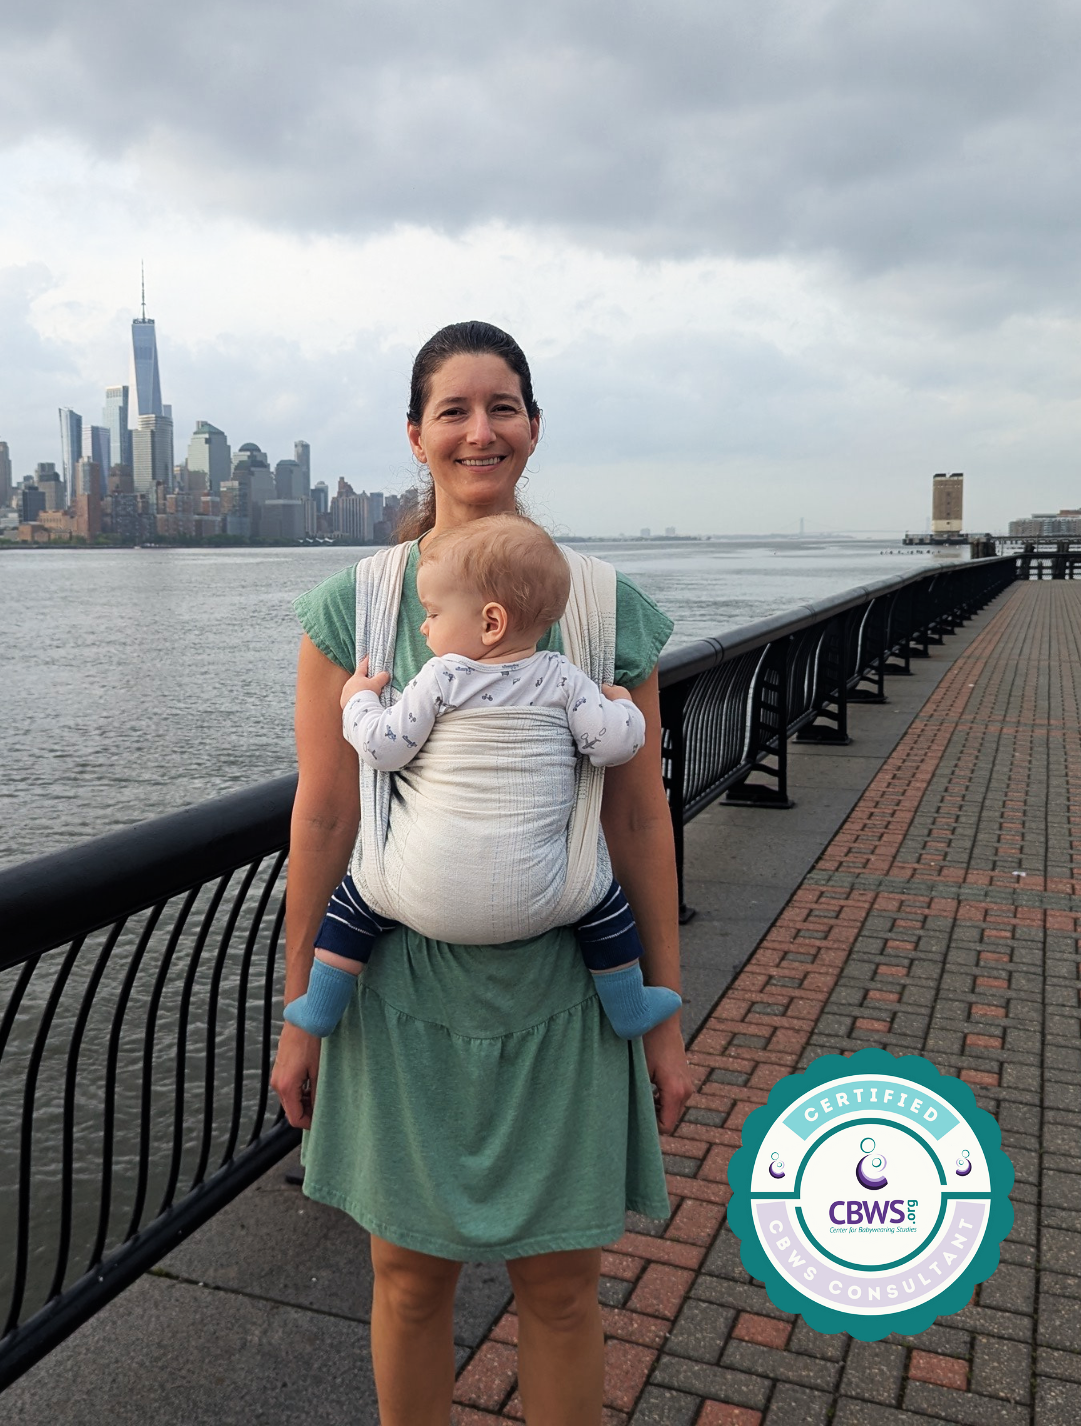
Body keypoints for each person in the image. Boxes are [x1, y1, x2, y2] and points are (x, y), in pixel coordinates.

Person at [274, 321, 689, 1424]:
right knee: (404, 1281)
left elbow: (641, 822)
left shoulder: (598, 609)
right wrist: (299, 1014)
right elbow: (320, 818)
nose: (478, 430)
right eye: (452, 410)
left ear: (534, 428)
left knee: (560, 1287)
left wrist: (662, 1020)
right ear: (415, 436)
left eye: (501, 405)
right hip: (397, 996)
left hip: (563, 999)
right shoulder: (356, 606)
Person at [283, 514, 680, 1042]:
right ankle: (630, 1008)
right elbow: (611, 746)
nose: (423, 627)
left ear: (490, 622)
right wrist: (625, 706)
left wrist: (357, 697)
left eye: (432, 613)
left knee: (356, 902)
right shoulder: (563, 676)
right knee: (603, 907)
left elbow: (382, 749)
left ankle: (319, 1008)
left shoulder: (441, 676)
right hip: (544, 897)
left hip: (417, 895)